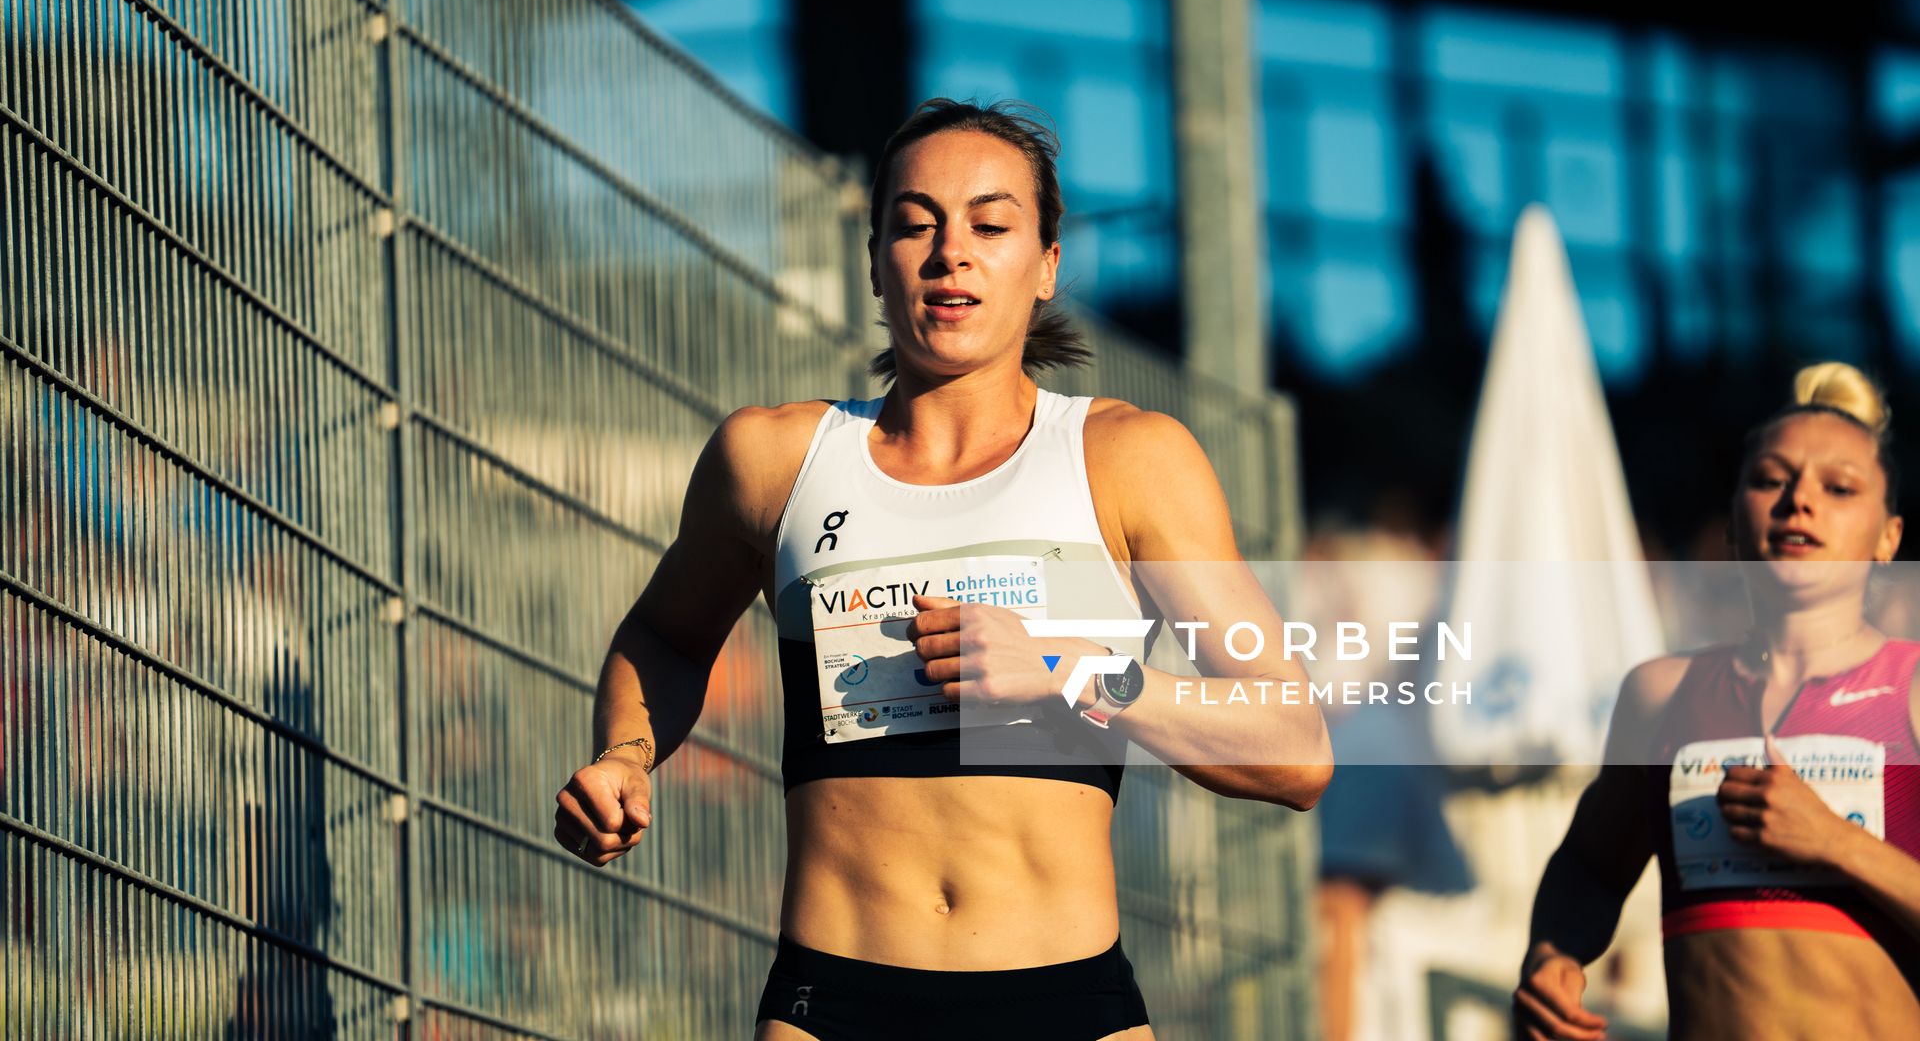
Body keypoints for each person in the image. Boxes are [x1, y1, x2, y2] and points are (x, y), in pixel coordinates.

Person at [552, 98, 1332, 1041]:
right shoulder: (772, 460)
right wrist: (625, 755)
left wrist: (1067, 669)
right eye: (915, 223)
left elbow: (1295, 748)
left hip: (1065, 1000)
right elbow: (666, 638)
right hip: (830, 1001)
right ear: (875, 261)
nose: (949, 251)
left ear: (1046, 265)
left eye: (991, 225)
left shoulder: (1130, 459)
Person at [1515, 362, 1920, 1040]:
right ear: (1733, 523)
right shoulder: (1661, 695)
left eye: (1840, 488)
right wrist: (1554, 953)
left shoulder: (1911, 691)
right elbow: (1589, 865)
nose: (1799, 502)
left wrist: (1838, 843)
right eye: (1770, 479)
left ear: (1889, 539)